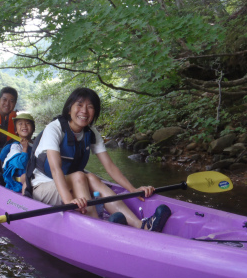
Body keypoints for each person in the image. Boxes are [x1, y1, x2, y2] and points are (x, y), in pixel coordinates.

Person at [25, 87, 171, 232]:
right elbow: (56, 168)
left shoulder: (91, 133)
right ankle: (96, 227)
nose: (84, 111)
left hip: (69, 183)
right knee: (79, 176)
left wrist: (132, 189)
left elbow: (110, 166)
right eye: (79, 105)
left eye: (90, 107)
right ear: (69, 109)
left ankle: (141, 225)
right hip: (42, 188)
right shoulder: (54, 129)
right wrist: (69, 201)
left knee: (92, 178)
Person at [0, 113, 35, 192]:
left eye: (27, 123)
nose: (24, 126)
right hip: (17, 184)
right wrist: (25, 149)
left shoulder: (36, 144)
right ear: (16, 130)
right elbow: (21, 164)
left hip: (33, 178)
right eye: (20, 124)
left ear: (33, 128)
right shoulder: (15, 146)